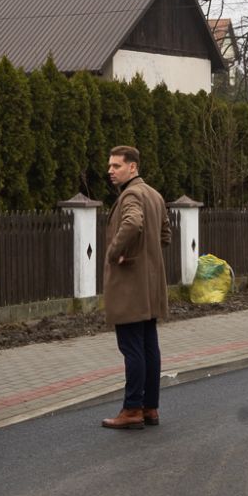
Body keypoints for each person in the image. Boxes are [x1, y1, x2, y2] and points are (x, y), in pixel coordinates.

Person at [100, 144, 171, 430]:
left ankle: (131, 409)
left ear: (132, 167)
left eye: (116, 166)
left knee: (132, 348)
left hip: (130, 285)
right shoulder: (153, 194)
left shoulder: (131, 195)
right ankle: (149, 407)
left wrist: (114, 251)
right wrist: (147, 251)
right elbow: (165, 235)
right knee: (148, 345)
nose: (110, 171)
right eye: (109, 166)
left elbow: (132, 223)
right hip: (151, 285)